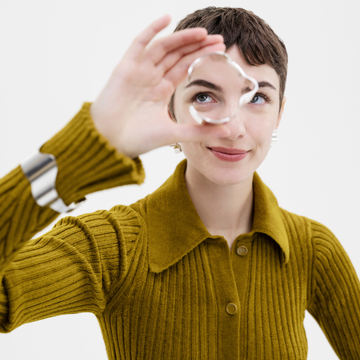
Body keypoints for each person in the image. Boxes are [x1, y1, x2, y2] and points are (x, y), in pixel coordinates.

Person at [0, 6, 359, 359]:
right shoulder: (113, 245)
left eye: (258, 97)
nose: (232, 128)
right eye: (204, 96)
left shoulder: (313, 249)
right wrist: (84, 148)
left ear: (279, 112)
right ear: (172, 108)